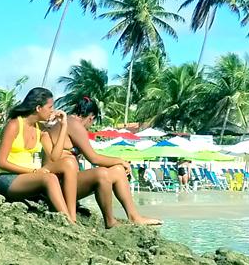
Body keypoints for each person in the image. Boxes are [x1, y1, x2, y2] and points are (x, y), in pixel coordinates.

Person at [45, 97, 162, 228]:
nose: (90, 126)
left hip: (66, 181)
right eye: (92, 122)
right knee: (102, 173)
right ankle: (110, 220)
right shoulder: (75, 125)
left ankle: (134, 216)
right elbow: (93, 158)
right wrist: (121, 161)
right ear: (91, 117)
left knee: (117, 171)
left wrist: (119, 164)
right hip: (59, 185)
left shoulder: (67, 122)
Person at [0, 87, 76, 223]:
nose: (52, 110)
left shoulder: (41, 129)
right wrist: (34, 171)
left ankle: (72, 216)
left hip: (29, 176)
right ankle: (67, 220)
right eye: (50, 106)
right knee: (49, 178)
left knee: (70, 162)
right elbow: (1, 162)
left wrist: (64, 126)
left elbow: (55, 157)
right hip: (6, 178)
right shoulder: (14, 125)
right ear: (38, 108)